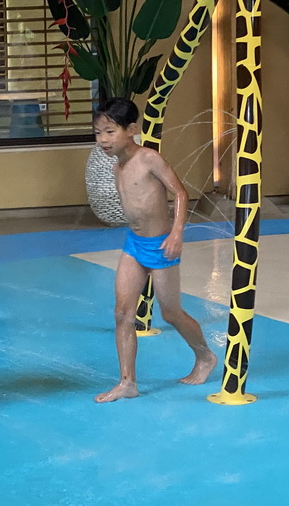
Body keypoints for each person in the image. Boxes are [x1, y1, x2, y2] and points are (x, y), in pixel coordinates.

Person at [92, 98, 218, 403]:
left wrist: (176, 233)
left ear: (132, 129)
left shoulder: (149, 159)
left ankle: (205, 357)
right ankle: (127, 382)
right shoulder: (117, 166)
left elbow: (180, 193)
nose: (103, 140)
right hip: (134, 245)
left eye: (110, 132)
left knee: (171, 313)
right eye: (98, 133)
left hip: (161, 246)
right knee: (123, 313)